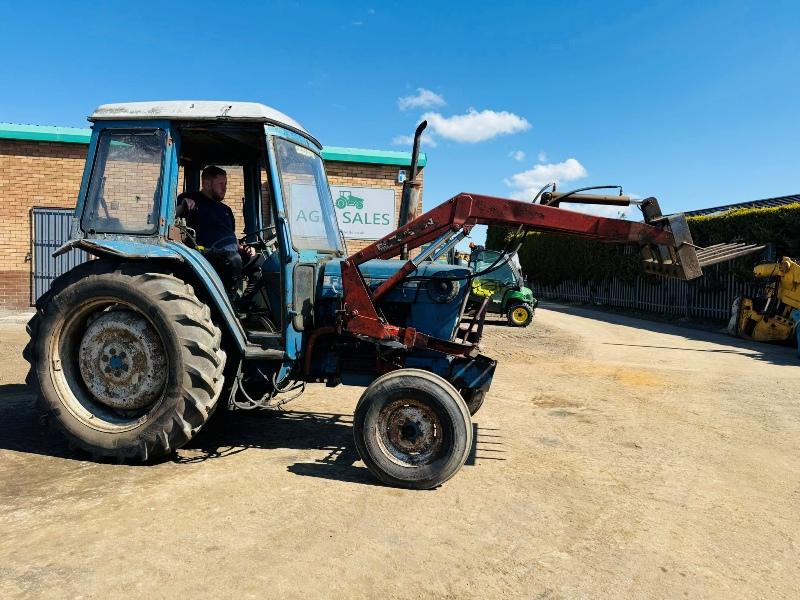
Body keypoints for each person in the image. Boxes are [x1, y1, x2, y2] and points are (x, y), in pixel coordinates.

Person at [177, 165, 256, 291]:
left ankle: (249, 301)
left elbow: (232, 238)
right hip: (205, 255)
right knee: (233, 260)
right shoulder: (190, 200)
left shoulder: (226, 210)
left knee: (261, 260)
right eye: (220, 184)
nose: (225, 188)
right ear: (206, 184)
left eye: (225, 184)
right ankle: (231, 298)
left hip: (230, 254)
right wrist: (182, 206)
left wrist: (243, 248)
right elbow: (172, 216)